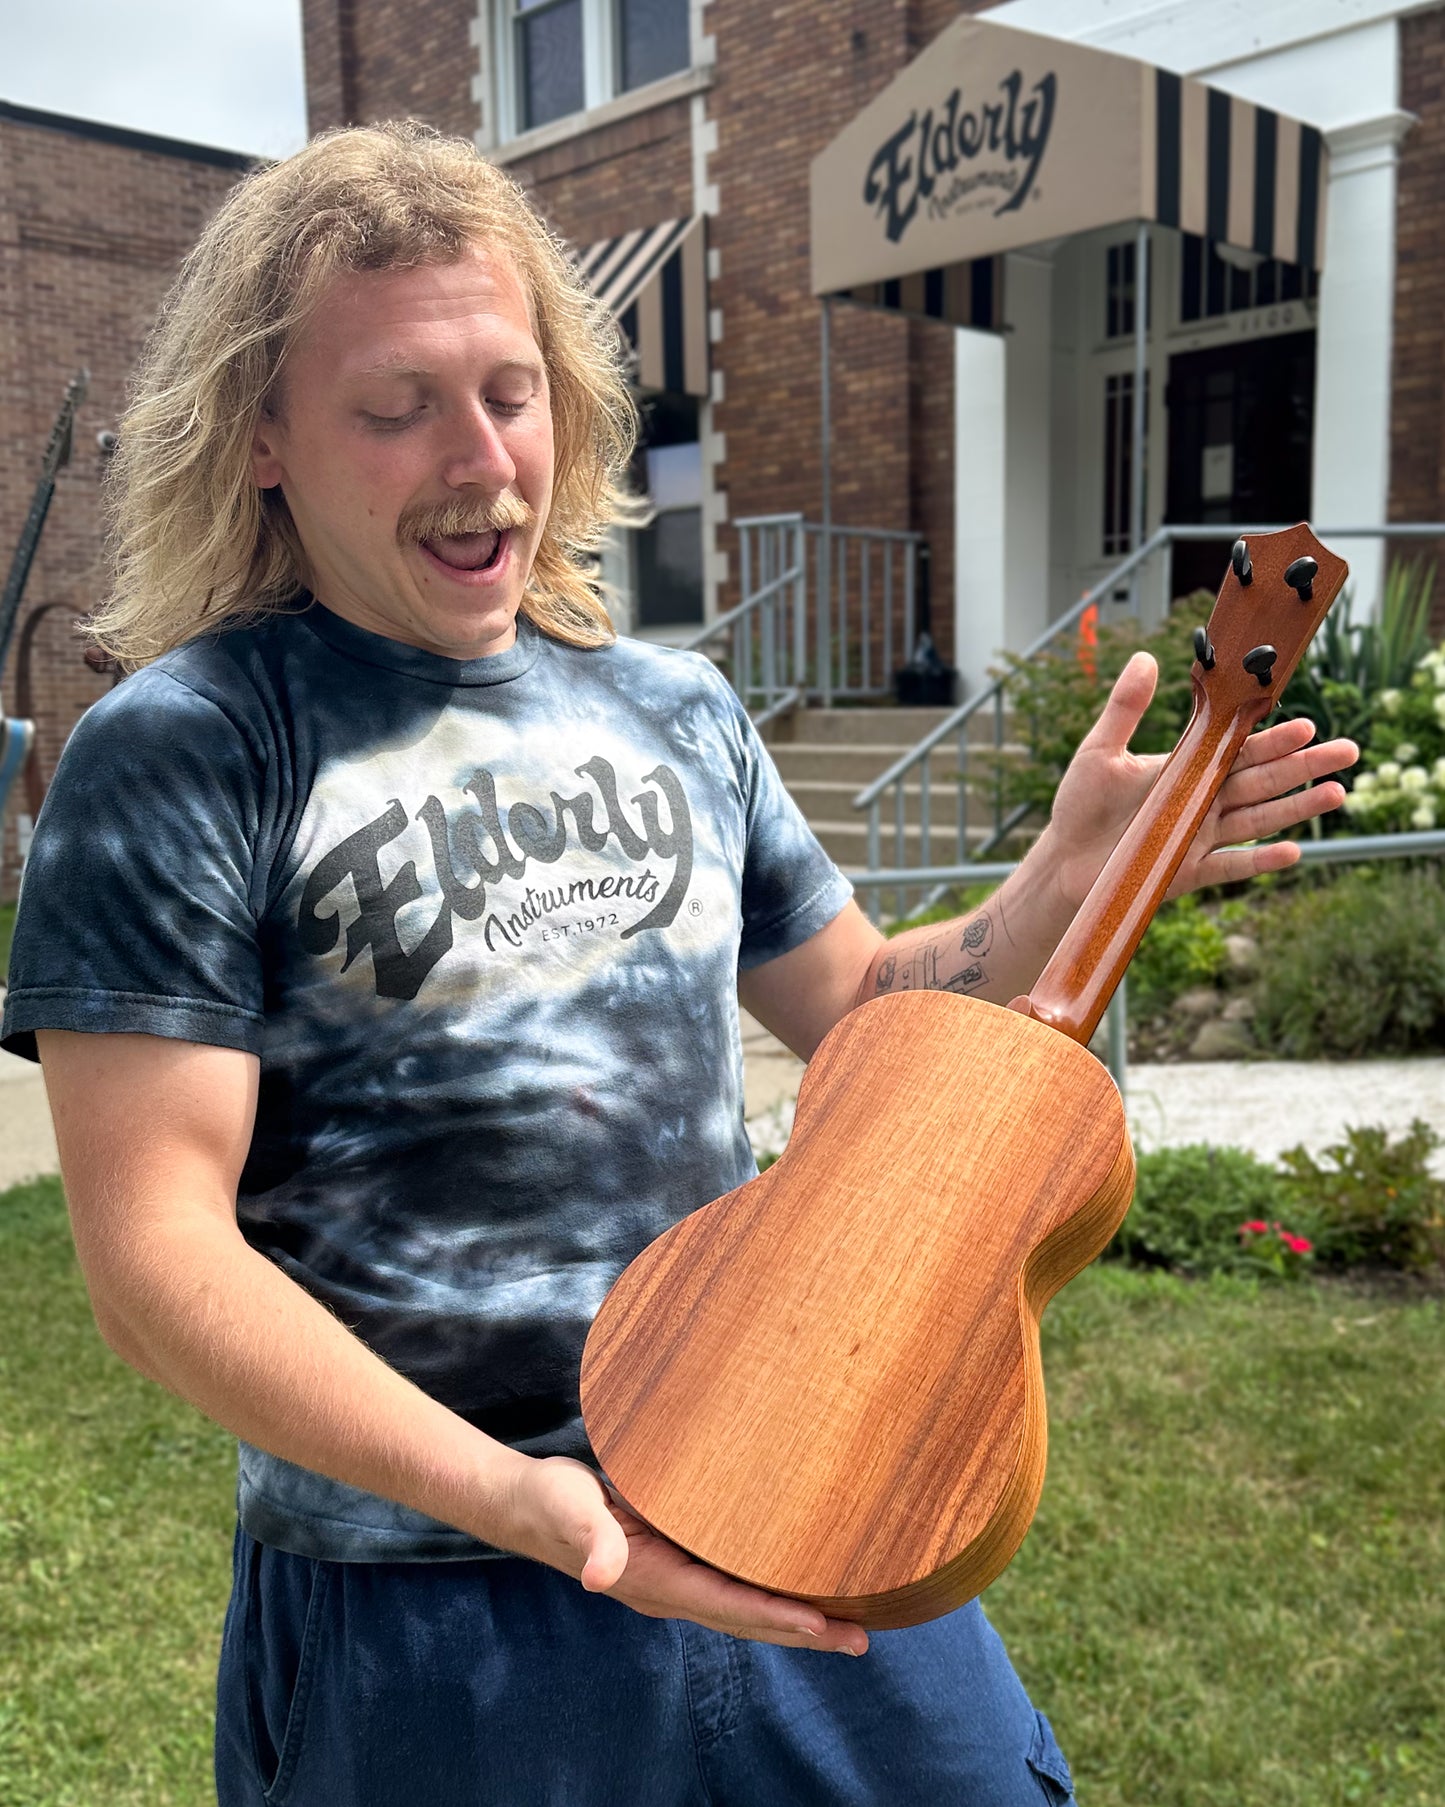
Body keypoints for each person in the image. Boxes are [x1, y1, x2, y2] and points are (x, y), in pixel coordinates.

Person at [1, 123, 1354, 1806]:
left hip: (808, 1489)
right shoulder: (190, 749)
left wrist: (1055, 886)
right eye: (393, 404)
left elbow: (864, 1013)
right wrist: (520, 1502)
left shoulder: (674, 707)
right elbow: (152, 1261)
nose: (477, 455)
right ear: (264, 437)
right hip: (439, 1602)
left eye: (508, 388)